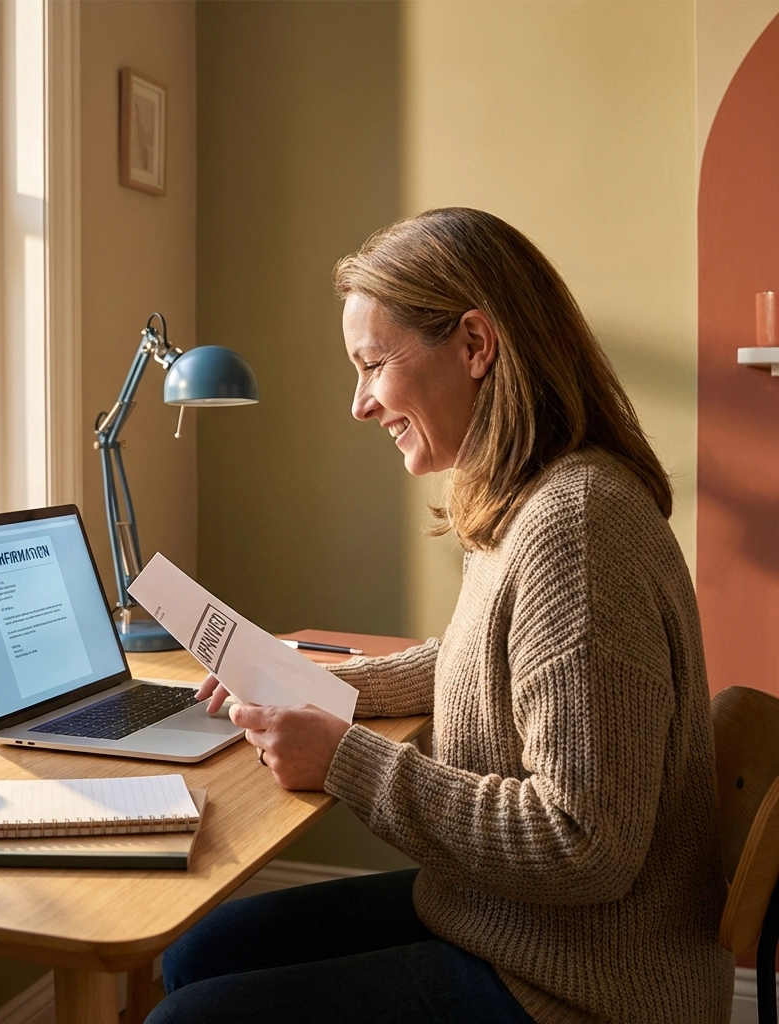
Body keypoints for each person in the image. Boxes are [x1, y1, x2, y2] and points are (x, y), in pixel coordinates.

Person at [146, 208, 731, 1024]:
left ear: (475, 345)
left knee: (188, 1015)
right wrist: (318, 680)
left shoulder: (578, 529)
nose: (359, 404)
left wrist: (345, 760)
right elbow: (475, 656)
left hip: (579, 986)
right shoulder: (532, 497)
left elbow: (583, 845)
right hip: (506, 923)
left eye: (373, 364)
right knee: (196, 953)